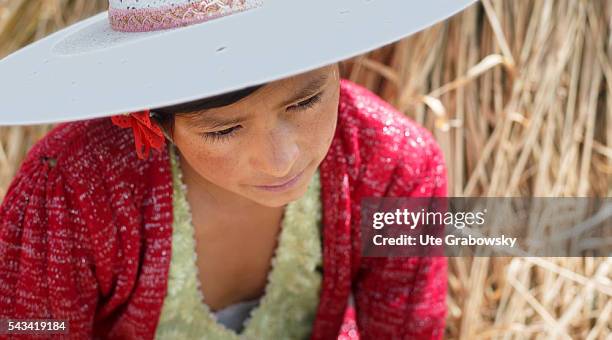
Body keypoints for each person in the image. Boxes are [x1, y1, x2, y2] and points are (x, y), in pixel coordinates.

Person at [0, 0, 473, 339]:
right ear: (151, 121)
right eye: (224, 131)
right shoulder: (71, 189)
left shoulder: (394, 166)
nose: (281, 158)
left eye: (306, 101)